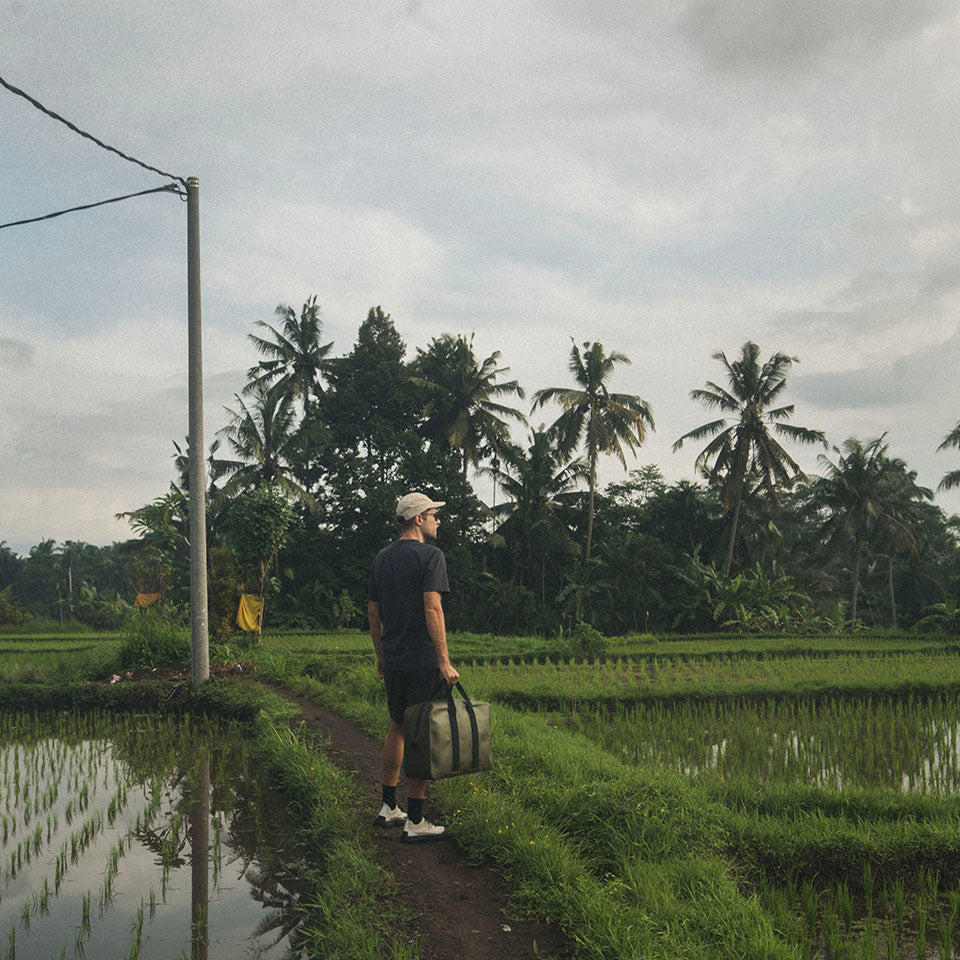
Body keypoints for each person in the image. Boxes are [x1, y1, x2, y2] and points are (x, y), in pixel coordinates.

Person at [368, 492, 460, 843]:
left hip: (393, 659)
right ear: (418, 519)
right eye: (434, 514)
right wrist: (444, 661)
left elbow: (373, 612)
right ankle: (416, 821)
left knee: (397, 728)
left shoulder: (381, 559)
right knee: (420, 736)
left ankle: (388, 807)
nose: (438, 520)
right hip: (422, 661)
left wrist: (380, 655)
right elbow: (432, 609)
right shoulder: (431, 556)